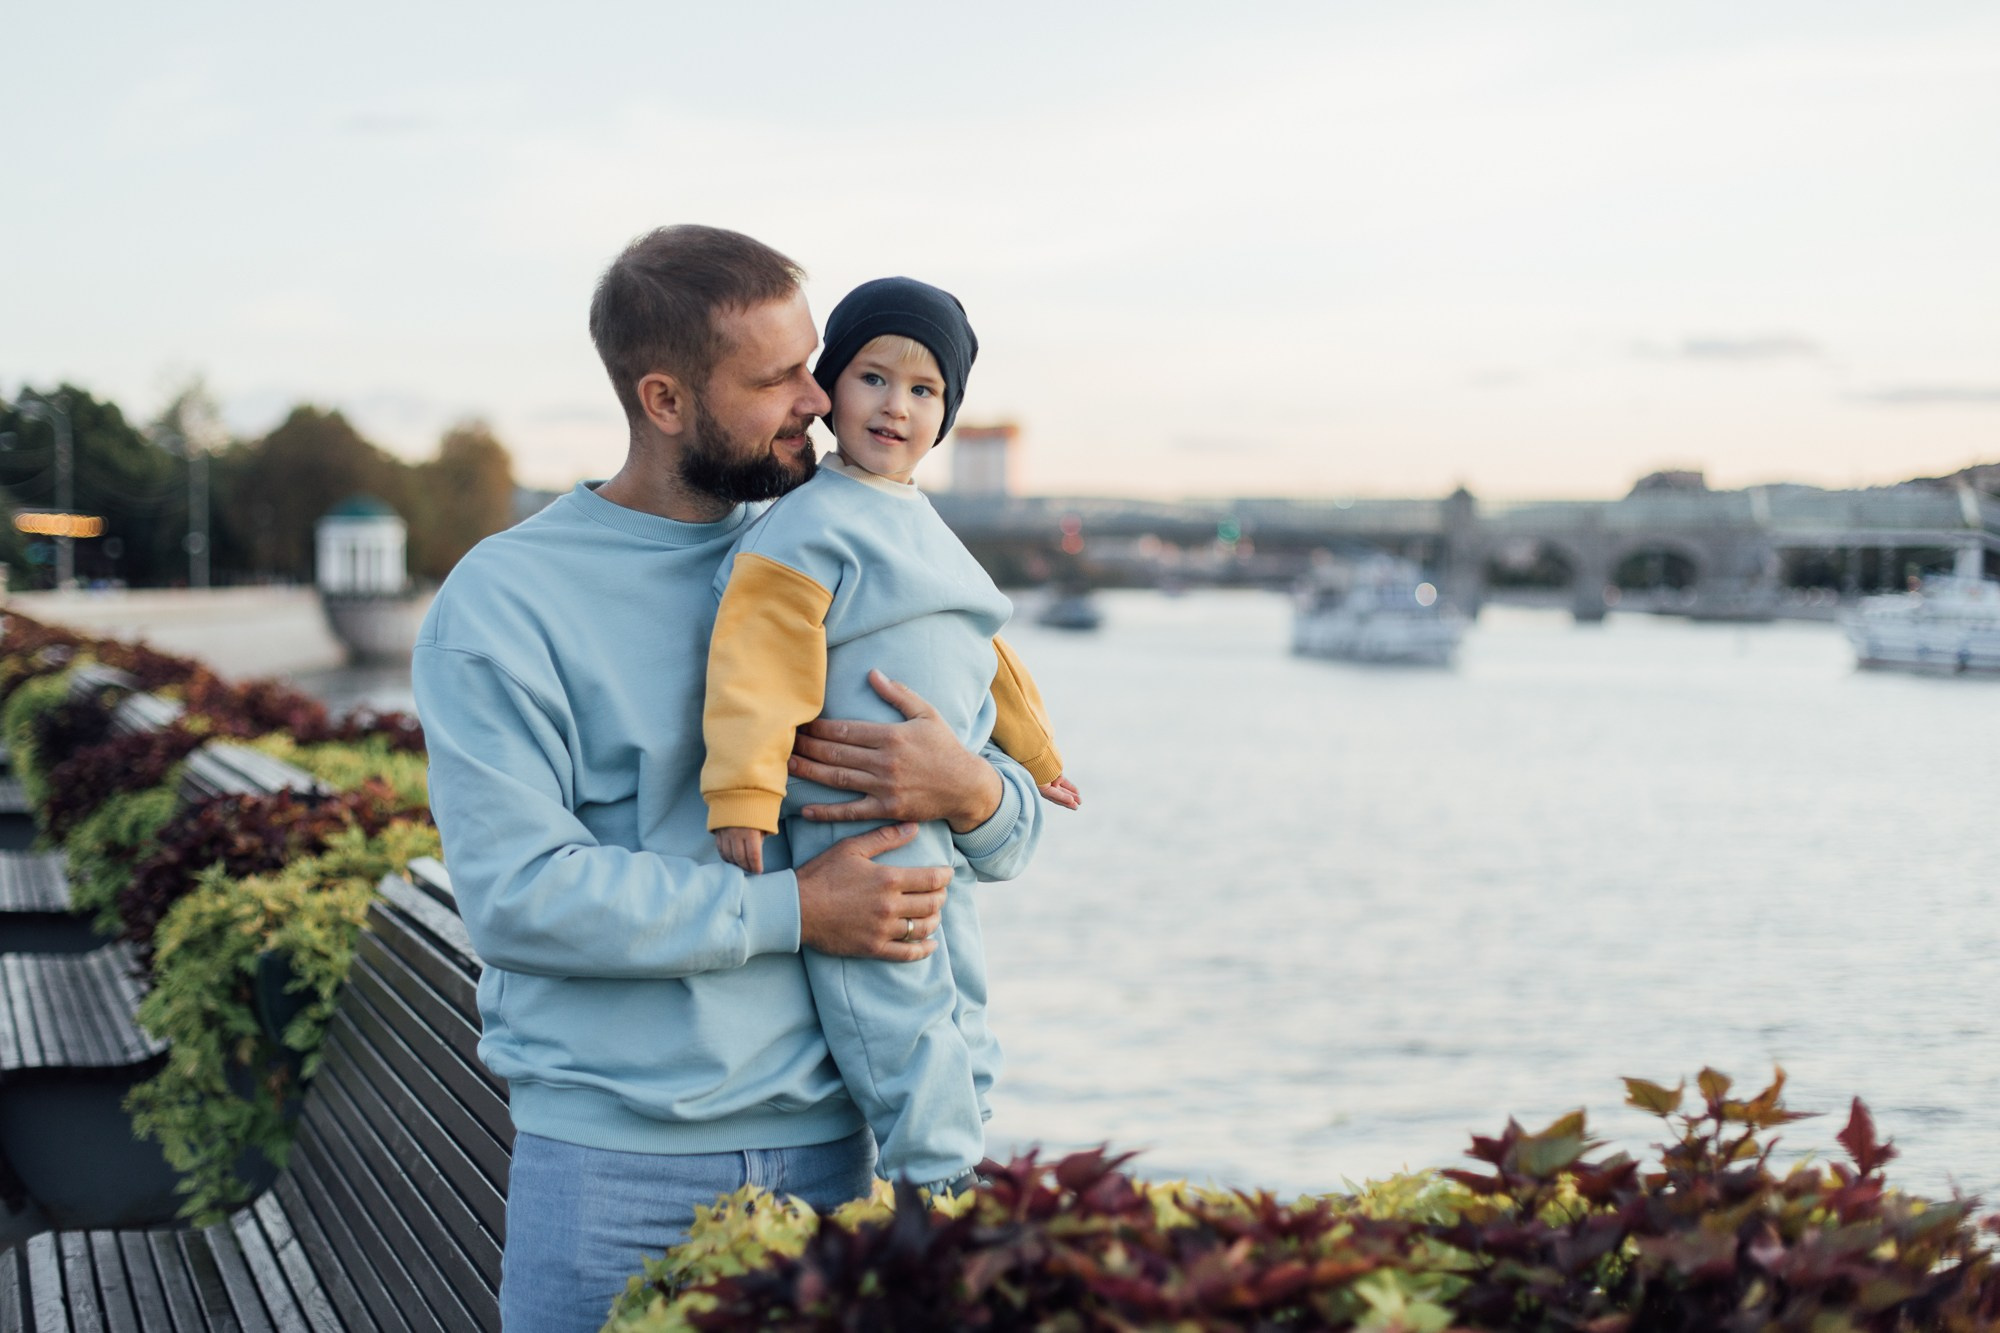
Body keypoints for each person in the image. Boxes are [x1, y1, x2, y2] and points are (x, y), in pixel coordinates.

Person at [411, 226, 1046, 1333]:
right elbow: (518, 896)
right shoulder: (504, 603)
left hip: (837, 1161)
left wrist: (971, 791)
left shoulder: (849, 542)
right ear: (664, 400)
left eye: (816, 363)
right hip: (614, 1175)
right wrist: (796, 908)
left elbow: (1007, 832)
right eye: (776, 378)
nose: (820, 397)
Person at [701, 276, 1079, 1194]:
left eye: (923, 390)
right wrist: (744, 788)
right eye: (873, 377)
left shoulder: (923, 523)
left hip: (936, 804)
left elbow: (985, 653)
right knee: (889, 990)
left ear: (945, 416)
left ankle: (970, 1140)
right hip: (854, 809)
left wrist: (1037, 759)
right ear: (830, 387)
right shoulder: (807, 525)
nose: (895, 406)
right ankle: (931, 1170)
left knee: (959, 976)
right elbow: (756, 659)